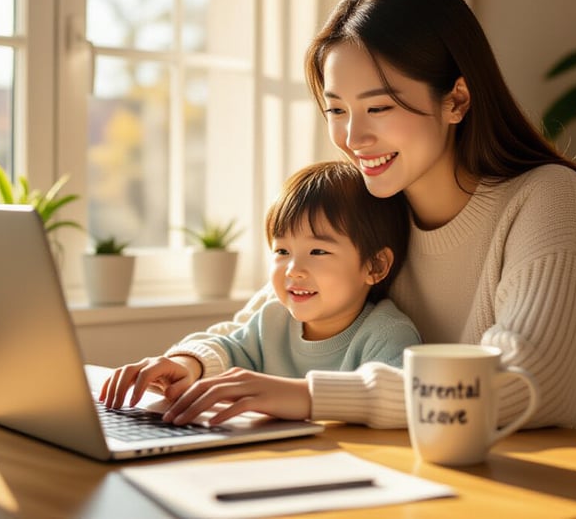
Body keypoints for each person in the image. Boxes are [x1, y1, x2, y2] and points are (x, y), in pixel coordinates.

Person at [103, 0, 576, 437]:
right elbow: (260, 319)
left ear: (456, 99)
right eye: (336, 110)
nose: (352, 138)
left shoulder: (547, 197)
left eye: (380, 108)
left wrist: (309, 397)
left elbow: (530, 382)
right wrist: (188, 362)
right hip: (446, 477)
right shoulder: (374, 204)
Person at [101, 160, 421, 423]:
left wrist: (300, 396)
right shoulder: (273, 319)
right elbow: (227, 346)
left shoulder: (385, 332)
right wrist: (188, 364)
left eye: (318, 252)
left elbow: (409, 393)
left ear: (375, 266)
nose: (293, 269)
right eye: (282, 251)